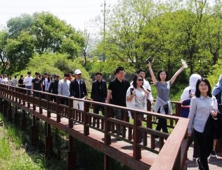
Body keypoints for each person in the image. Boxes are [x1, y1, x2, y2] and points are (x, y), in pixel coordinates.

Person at [148, 60, 186, 133]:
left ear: (166, 75)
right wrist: (150, 67)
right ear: (159, 75)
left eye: (164, 74)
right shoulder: (157, 83)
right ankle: (166, 135)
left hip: (166, 104)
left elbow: (175, 75)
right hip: (160, 104)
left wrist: (182, 67)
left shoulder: (169, 83)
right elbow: (152, 75)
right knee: (163, 120)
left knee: (162, 121)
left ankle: (156, 134)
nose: (163, 75)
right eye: (161, 74)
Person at [188, 78, 218, 170]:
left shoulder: (213, 98)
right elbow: (191, 114)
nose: (203, 87)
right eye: (201, 85)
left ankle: (200, 161)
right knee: (203, 149)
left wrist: (215, 113)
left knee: (209, 149)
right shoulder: (195, 99)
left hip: (210, 128)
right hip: (198, 128)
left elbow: (216, 112)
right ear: (198, 87)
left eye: (205, 85)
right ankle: (205, 167)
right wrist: (189, 129)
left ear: (208, 86)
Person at [180, 73, 201, 161]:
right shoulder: (187, 90)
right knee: (189, 135)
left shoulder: (201, 89)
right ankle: (184, 153)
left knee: (197, 135)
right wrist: (192, 98)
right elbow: (183, 102)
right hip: (187, 114)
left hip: (198, 115)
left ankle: (196, 155)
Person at [107, 66, 130, 134]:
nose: (122, 74)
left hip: (124, 103)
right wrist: (107, 102)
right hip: (115, 103)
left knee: (122, 117)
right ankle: (119, 132)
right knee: (118, 116)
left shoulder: (126, 83)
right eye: (120, 73)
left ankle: (118, 129)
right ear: (116, 74)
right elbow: (109, 93)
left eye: (123, 73)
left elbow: (129, 93)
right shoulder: (112, 83)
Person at [126, 74, 149, 141]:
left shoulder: (143, 88)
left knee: (138, 124)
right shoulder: (131, 88)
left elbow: (145, 97)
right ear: (135, 80)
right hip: (134, 109)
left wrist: (147, 94)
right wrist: (133, 94)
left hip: (141, 109)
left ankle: (135, 138)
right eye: (139, 80)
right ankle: (141, 138)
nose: (140, 81)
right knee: (140, 123)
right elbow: (128, 99)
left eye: (141, 80)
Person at [211, 74, 222, 158]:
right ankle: (213, 150)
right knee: (215, 132)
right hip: (217, 113)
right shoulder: (216, 89)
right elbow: (212, 100)